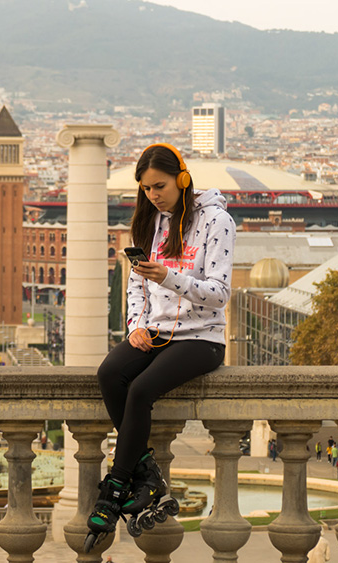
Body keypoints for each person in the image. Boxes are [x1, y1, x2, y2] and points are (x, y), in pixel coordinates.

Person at [86, 144, 235, 542]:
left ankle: (116, 487)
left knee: (141, 390)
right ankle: (148, 476)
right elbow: (136, 285)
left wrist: (169, 277)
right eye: (146, 188)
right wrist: (135, 325)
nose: (153, 194)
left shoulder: (217, 221)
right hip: (155, 332)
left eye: (160, 185)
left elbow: (220, 294)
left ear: (181, 179)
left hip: (202, 338)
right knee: (109, 373)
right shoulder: (151, 223)